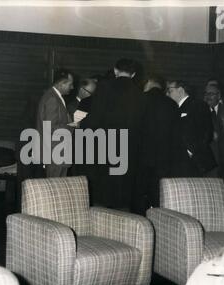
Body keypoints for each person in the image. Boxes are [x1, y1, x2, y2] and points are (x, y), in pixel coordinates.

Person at [83, 58, 145, 210]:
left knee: (104, 193)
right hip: (129, 150)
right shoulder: (140, 93)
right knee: (123, 193)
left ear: (115, 70)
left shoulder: (104, 88)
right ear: (134, 74)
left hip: (105, 146)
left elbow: (94, 119)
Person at [133, 75, 179, 213]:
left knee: (139, 195)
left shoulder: (137, 100)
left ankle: (140, 226)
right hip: (164, 158)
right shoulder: (171, 104)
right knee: (160, 196)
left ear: (148, 84)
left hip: (140, 157)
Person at [166, 80, 216, 177]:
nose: (167, 94)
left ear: (180, 90)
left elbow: (206, 132)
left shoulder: (198, 105)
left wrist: (190, 152)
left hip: (195, 162)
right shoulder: (175, 108)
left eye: (170, 90)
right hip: (181, 161)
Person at [36, 68, 74, 177]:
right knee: (55, 187)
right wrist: (72, 126)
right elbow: (51, 128)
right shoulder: (52, 99)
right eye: (70, 84)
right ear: (62, 83)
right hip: (55, 153)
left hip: (57, 152)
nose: (72, 87)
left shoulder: (54, 96)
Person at [203, 82, 224, 178]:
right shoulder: (200, 111)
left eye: (211, 94)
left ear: (219, 96)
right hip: (207, 159)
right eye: (206, 94)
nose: (208, 97)